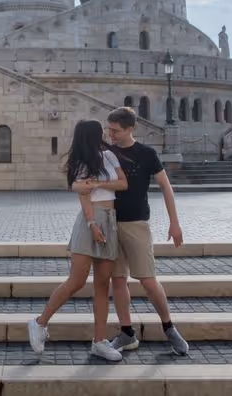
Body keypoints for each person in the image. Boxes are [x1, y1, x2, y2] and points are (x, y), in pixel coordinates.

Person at [76, 106, 189, 356]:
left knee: (148, 280)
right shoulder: (105, 154)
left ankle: (169, 328)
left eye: (115, 130)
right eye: (109, 129)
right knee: (118, 280)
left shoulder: (147, 153)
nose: (110, 134)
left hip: (136, 223)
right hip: (109, 224)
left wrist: (175, 223)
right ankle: (126, 333)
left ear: (130, 128)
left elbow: (165, 187)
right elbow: (85, 182)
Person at [27, 119, 128, 361]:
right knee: (76, 280)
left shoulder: (109, 157)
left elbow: (123, 183)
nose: (104, 134)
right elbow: (83, 196)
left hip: (110, 220)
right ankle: (40, 323)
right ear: (91, 135)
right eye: (100, 131)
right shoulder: (82, 163)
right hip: (89, 221)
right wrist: (92, 224)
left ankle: (99, 342)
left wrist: (98, 183)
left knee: (103, 285)